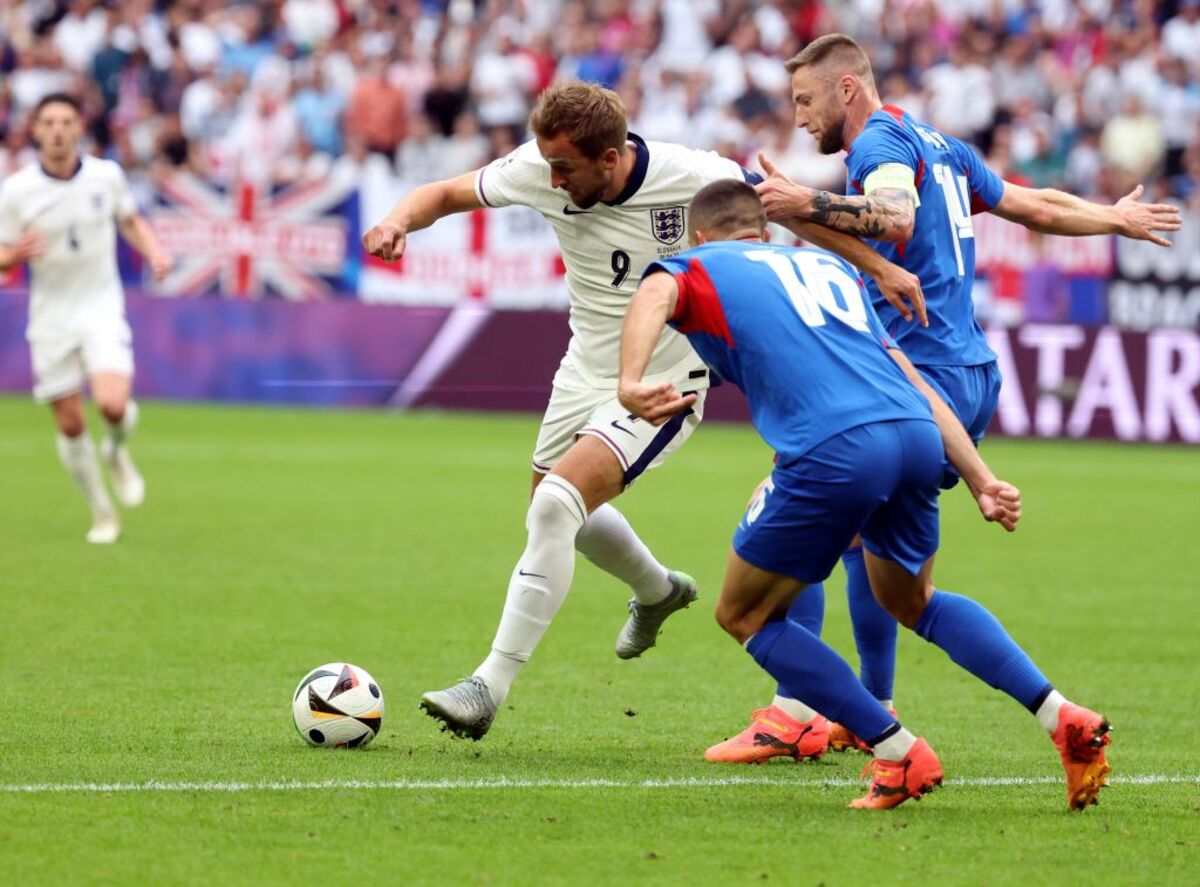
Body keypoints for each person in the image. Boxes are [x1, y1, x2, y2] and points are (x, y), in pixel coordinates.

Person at [361, 80, 924, 740]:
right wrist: (400, 219)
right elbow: (445, 193)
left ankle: (488, 684)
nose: (552, 178)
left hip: (665, 377)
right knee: (555, 510)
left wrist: (876, 268)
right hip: (585, 368)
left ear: (611, 157)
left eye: (565, 167)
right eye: (548, 164)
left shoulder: (697, 175)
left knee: (554, 507)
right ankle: (658, 590)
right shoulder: (540, 169)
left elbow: (788, 216)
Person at [707, 33, 1181, 762]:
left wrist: (809, 200)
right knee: (891, 575)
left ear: (847, 91)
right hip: (968, 375)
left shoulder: (881, 145)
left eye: (805, 101)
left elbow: (891, 213)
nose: (799, 118)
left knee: (797, 513)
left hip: (905, 377)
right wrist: (1112, 218)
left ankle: (799, 711)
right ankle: (973, 710)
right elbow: (1038, 207)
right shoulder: (944, 147)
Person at [619, 178, 1111, 811]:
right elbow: (910, 378)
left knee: (744, 615)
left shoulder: (700, 262)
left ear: (702, 237)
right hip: (913, 434)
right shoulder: (826, 267)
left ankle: (895, 750)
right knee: (913, 600)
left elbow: (657, 289)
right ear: (764, 232)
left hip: (836, 446)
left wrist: (630, 382)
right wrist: (982, 478)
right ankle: (1060, 714)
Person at [0, 92, 172, 543]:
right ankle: (102, 512)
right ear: (35, 131)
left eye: (66, 121)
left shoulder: (106, 176)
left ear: (79, 128)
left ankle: (115, 451)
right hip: (51, 314)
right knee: (71, 423)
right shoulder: (16, 191)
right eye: (48, 122)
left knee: (113, 404)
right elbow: (1, 251)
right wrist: (13, 256)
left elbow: (129, 219)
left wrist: (154, 251)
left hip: (100, 305)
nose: (57, 130)